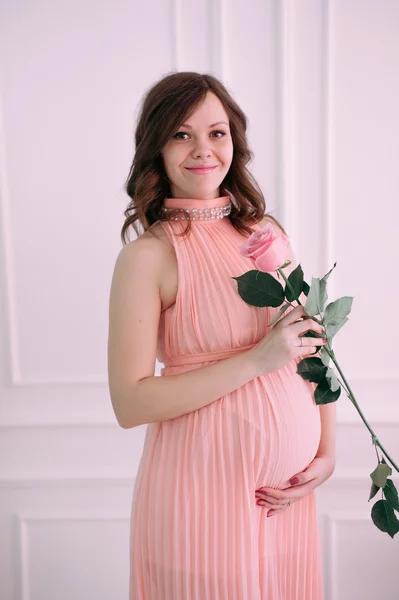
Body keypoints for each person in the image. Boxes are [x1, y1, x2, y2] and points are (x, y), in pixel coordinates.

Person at [107, 71, 336, 600]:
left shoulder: (267, 234)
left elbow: (314, 345)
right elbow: (129, 401)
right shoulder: (147, 258)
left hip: (284, 504)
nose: (203, 149)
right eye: (182, 134)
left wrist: (326, 454)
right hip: (199, 497)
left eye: (218, 132)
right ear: (156, 147)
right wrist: (258, 359)